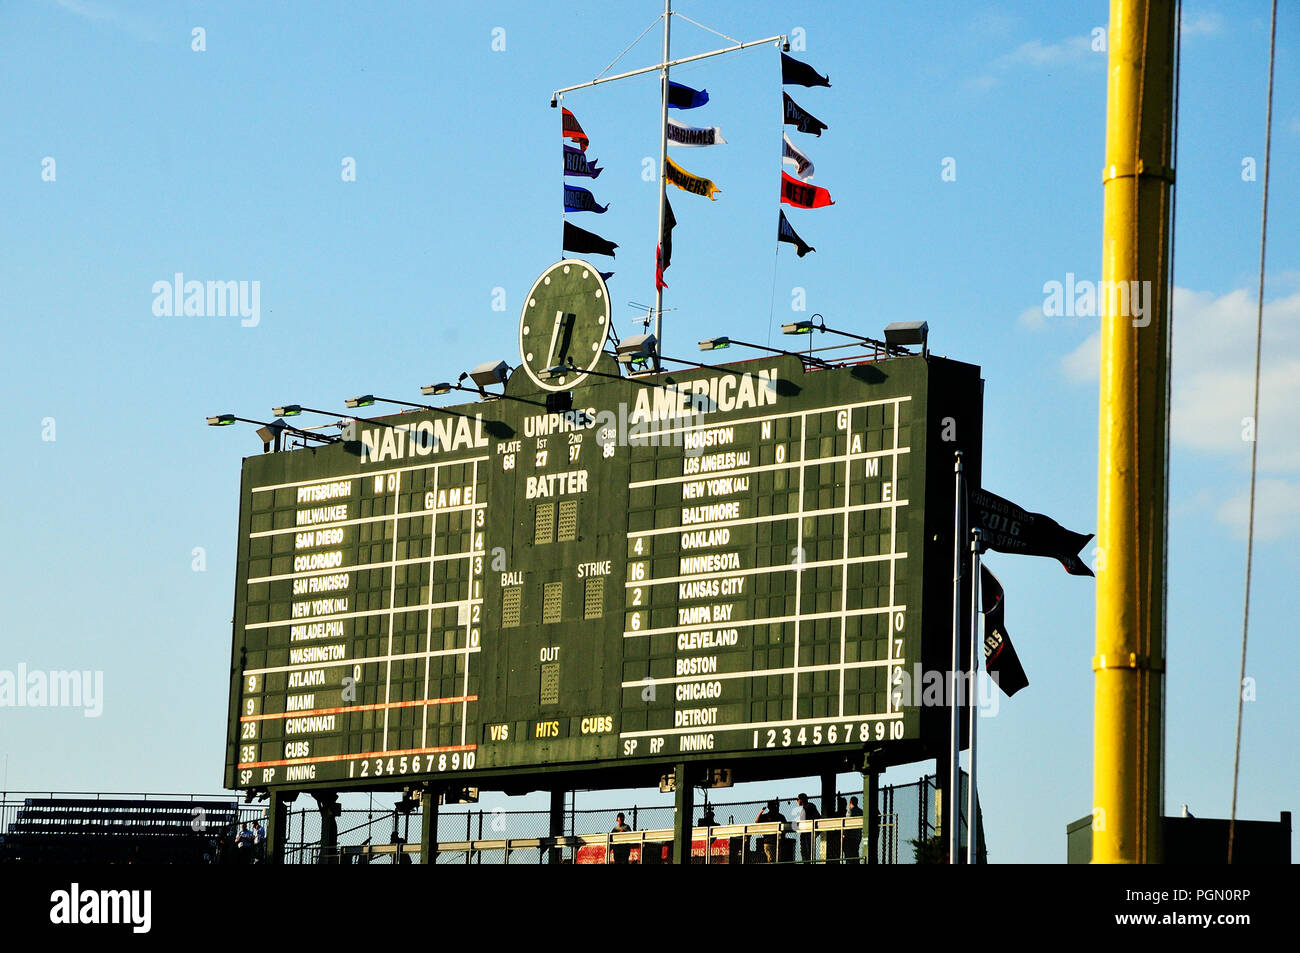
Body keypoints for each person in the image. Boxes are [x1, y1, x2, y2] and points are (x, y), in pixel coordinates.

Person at [754, 799, 787, 864]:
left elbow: (785, 827)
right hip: (769, 842)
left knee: (776, 860)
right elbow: (757, 821)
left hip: (776, 842)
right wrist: (761, 812)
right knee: (772, 860)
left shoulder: (779, 816)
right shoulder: (767, 816)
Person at [795, 793, 821, 863]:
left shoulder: (810, 807)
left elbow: (817, 817)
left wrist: (816, 832)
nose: (797, 801)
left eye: (798, 799)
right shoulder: (804, 808)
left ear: (801, 799)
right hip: (804, 832)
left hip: (808, 832)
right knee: (804, 851)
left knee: (808, 851)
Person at [843, 796, 864, 864]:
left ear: (850, 803)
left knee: (848, 855)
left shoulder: (850, 811)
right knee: (855, 853)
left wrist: (844, 835)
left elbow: (848, 824)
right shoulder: (861, 811)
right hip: (857, 837)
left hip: (849, 837)